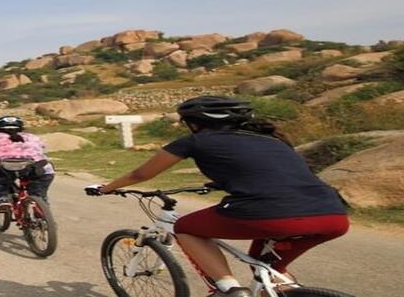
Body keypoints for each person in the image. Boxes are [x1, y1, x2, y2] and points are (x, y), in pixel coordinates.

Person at [85, 96, 349, 297]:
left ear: (194, 123)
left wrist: (105, 188)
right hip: (332, 215)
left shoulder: (194, 142)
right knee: (266, 265)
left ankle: (229, 289)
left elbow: (141, 175)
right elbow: (271, 172)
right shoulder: (273, 139)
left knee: (185, 227)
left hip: (270, 215)